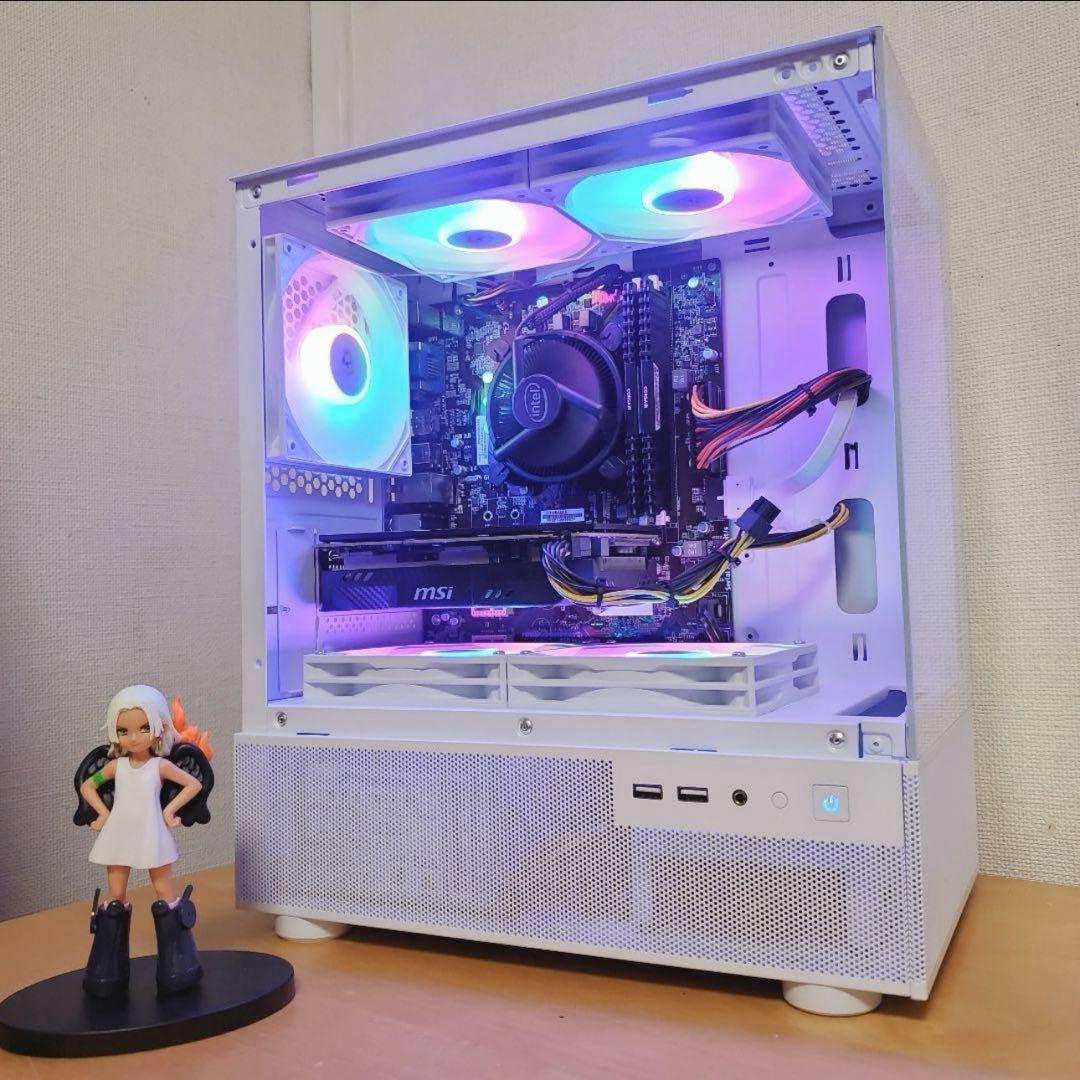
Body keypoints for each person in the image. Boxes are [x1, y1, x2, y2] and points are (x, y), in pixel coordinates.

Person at [78, 685, 204, 997]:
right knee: (115, 899)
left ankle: (178, 965)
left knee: (165, 897)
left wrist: (170, 811)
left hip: (151, 833)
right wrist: (103, 813)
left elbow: (192, 784)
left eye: (143, 728)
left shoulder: (159, 766)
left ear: (159, 727)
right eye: (124, 730)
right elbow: (88, 786)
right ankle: (107, 970)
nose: (134, 738)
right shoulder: (115, 766)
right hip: (119, 833)